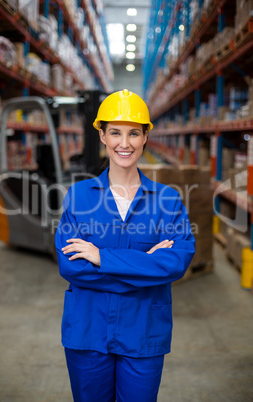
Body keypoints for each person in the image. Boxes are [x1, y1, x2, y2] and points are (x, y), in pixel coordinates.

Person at [55, 89, 195, 402]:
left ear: (146, 137)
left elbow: (177, 262)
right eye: (115, 133)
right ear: (102, 136)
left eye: (134, 133)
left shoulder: (167, 200)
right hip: (88, 332)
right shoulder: (79, 197)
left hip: (143, 333)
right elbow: (71, 267)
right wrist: (146, 266)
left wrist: (102, 258)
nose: (124, 143)